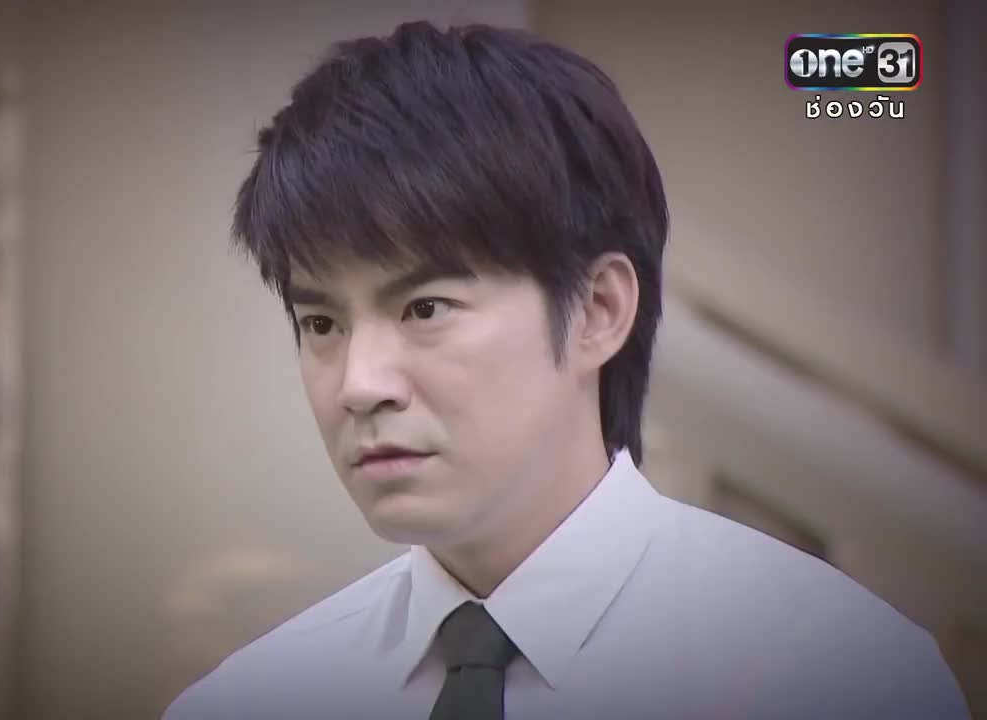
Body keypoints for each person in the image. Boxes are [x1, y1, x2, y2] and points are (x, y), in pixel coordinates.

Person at [163, 20, 971, 720]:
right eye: (321, 324)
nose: (359, 384)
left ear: (598, 309)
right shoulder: (250, 700)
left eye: (425, 308)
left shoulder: (840, 675)